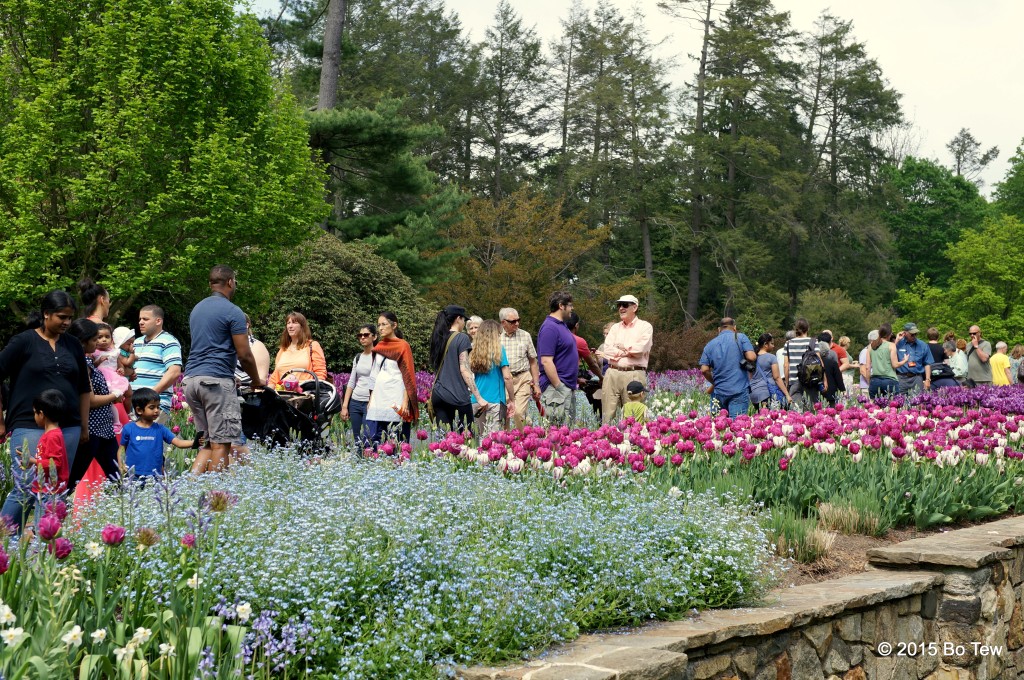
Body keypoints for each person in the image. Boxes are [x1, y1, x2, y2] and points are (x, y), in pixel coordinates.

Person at [0, 291, 92, 527]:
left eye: (70, 318)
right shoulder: (24, 342)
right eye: (62, 317)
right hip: (28, 425)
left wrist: (83, 425)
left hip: (67, 427)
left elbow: (83, 388)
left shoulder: (72, 344)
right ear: (46, 314)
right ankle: (6, 541)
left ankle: (46, 544)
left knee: (56, 489)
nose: (67, 323)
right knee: (26, 487)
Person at [182, 266, 263, 474]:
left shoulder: (197, 309)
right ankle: (217, 499)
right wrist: (256, 380)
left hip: (191, 380)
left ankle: (191, 489)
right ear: (230, 282)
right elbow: (244, 354)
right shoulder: (233, 311)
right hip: (215, 383)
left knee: (208, 442)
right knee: (223, 442)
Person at [66, 319, 122, 490]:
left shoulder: (88, 362)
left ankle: (127, 508)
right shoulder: (82, 364)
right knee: (73, 478)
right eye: (94, 339)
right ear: (83, 342)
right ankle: (52, 510)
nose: (97, 342)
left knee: (118, 475)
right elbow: (90, 400)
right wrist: (115, 394)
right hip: (91, 429)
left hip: (103, 428)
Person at [599, 294, 653, 425]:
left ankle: (631, 444)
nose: (621, 308)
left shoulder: (645, 327)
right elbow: (607, 350)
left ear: (634, 307)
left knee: (633, 418)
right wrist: (628, 351)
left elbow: (640, 350)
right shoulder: (615, 328)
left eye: (624, 305)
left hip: (634, 373)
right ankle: (605, 442)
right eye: (619, 305)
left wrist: (622, 348)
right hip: (612, 373)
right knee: (607, 416)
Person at [428, 305, 483, 433]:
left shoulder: (438, 337)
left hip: (438, 394)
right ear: (458, 319)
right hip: (457, 395)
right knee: (467, 438)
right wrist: (479, 398)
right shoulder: (461, 338)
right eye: (464, 320)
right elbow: (464, 369)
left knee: (445, 440)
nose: (464, 323)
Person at [119, 388, 194, 480]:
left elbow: (178, 443)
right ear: (139, 410)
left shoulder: (160, 429)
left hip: (155, 475)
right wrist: (121, 464)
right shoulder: (129, 428)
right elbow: (122, 448)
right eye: (152, 407)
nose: (156, 410)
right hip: (133, 474)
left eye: (158, 407)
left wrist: (195, 442)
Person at [367, 312, 418, 443]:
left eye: (384, 324)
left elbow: (407, 376)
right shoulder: (379, 347)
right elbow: (374, 374)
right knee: (376, 437)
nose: (380, 328)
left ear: (394, 325)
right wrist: (370, 399)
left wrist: (405, 402)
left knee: (397, 437)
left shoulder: (403, 346)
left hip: (396, 397)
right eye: (379, 325)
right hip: (379, 398)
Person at [130, 306, 183, 422]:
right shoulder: (136, 342)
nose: (141, 322)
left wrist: (150, 396)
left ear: (158, 321)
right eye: (140, 319)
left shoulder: (169, 342)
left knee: (149, 439)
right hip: (133, 406)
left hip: (155, 406)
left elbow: (174, 372)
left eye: (145, 319)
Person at [699, 318, 757, 418]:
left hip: (719, 391)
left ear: (719, 329)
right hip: (738, 389)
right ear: (734, 328)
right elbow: (751, 357)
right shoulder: (741, 337)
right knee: (737, 426)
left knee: (719, 426)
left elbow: (704, 369)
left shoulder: (710, 345)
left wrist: (714, 382)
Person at [537, 291, 580, 424]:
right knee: (557, 432)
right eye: (570, 305)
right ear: (561, 306)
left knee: (568, 433)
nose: (572, 308)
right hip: (556, 389)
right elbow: (546, 361)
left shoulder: (561, 326)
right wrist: (559, 386)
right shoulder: (549, 328)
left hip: (566, 387)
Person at [499, 307, 541, 430]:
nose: (516, 323)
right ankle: (505, 443)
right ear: (503, 322)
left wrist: (536, 384)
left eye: (518, 320)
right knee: (505, 414)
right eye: (513, 321)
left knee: (518, 413)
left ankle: (522, 441)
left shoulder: (525, 335)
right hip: (505, 379)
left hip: (523, 378)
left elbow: (533, 361)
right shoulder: (497, 337)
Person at [341, 324, 382, 448]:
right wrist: (344, 406)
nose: (362, 338)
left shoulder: (379, 357)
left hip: (370, 403)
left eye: (366, 335)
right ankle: (359, 463)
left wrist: (372, 400)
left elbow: (379, 382)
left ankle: (370, 463)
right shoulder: (358, 357)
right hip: (355, 402)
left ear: (374, 337)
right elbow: (351, 382)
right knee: (357, 438)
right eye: (360, 335)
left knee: (369, 438)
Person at [470, 320, 514, 436]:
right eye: (499, 334)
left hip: (476, 400)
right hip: (494, 400)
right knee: (492, 440)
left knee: (479, 439)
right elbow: (507, 377)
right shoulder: (499, 350)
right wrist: (512, 400)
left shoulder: (474, 351)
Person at [28, 390, 69, 505]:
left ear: (41, 414)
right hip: (46, 489)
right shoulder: (52, 434)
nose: (34, 416)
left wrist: (34, 461)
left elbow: (55, 463)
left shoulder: (52, 436)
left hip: (50, 492)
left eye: (35, 413)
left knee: (42, 522)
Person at [267, 312, 327, 388]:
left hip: (305, 394)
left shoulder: (312, 346)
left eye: (294, 323)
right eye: (288, 323)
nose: (290, 326)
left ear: (302, 326)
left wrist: (313, 392)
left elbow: (320, 374)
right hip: (283, 395)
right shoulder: (282, 350)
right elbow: (274, 378)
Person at [568, 312, 603, 418]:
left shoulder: (553, 338)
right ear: (576, 325)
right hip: (568, 383)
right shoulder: (578, 341)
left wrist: (577, 380)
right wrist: (601, 377)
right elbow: (591, 364)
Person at [748, 333, 789, 410]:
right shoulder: (771, 358)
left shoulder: (752, 358)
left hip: (754, 394)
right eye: (772, 343)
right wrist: (787, 394)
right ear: (765, 344)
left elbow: (749, 377)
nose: (773, 346)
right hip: (766, 394)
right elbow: (777, 377)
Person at [863, 323, 904, 399]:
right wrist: (904, 361)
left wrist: (869, 382)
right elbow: (895, 365)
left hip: (875, 380)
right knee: (893, 407)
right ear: (890, 334)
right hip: (890, 380)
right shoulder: (891, 345)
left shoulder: (871, 346)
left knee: (874, 408)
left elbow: (867, 368)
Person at [783, 319, 816, 403]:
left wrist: (787, 382)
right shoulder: (813, 341)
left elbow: (786, 365)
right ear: (807, 328)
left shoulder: (788, 343)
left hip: (794, 380)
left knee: (795, 411)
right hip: (810, 379)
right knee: (811, 410)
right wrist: (824, 380)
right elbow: (820, 362)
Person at [894, 322, 932, 394]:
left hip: (917, 377)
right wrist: (897, 340)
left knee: (918, 402)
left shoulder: (923, 345)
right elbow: (889, 354)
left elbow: (927, 363)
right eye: (912, 334)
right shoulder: (898, 343)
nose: (914, 336)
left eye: (915, 334)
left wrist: (927, 380)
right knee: (899, 402)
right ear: (905, 333)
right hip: (901, 378)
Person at [234, 314, 271, 387]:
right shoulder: (226, 345)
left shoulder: (256, 345)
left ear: (247, 325)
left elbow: (261, 379)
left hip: (247, 393)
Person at [818, 335, 846, 406]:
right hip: (831, 392)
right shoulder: (832, 363)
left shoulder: (815, 363)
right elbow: (838, 377)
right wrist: (842, 389)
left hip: (818, 391)